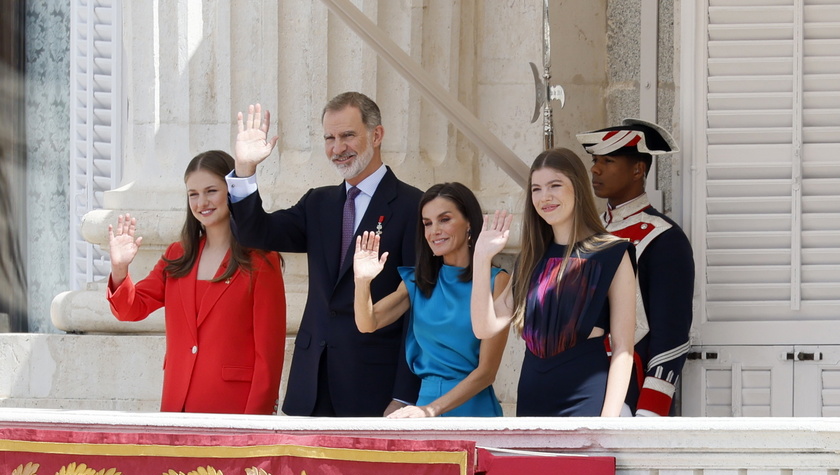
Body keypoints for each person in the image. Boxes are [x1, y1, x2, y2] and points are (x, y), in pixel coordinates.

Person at [226, 93, 423, 417]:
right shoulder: (318, 203)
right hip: (311, 385)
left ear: (376, 135)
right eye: (329, 138)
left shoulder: (411, 206)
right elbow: (255, 232)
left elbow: (417, 307)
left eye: (347, 135)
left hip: (375, 388)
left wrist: (404, 394)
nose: (337, 148)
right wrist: (245, 168)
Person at [107, 150, 286, 414]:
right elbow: (129, 309)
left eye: (211, 191)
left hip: (235, 411)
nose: (201, 202)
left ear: (231, 191)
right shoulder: (177, 255)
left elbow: (269, 357)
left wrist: (254, 427)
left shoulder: (261, 261)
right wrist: (120, 269)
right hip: (177, 407)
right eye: (193, 194)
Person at [471, 148, 636, 417]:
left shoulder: (612, 252)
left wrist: (608, 423)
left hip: (586, 400)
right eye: (536, 189)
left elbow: (623, 348)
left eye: (555, 185)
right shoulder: (531, 257)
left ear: (577, 188)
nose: (544, 196)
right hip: (532, 399)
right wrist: (481, 258)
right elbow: (484, 328)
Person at [353, 183, 510, 417]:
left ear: (469, 223)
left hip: (472, 411)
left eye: (444, 219)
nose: (434, 230)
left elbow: (487, 372)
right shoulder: (418, 280)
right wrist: (362, 282)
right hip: (423, 409)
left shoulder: (497, 281)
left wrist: (429, 410)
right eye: (427, 223)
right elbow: (367, 323)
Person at [577, 119, 694, 417]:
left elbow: (672, 335)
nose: (595, 169)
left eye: (608, 161)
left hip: (631, 386)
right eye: (594, 161)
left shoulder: (664, 237)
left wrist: (650, 411)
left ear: (638, 170)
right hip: (580, 382)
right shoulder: (587, 232)